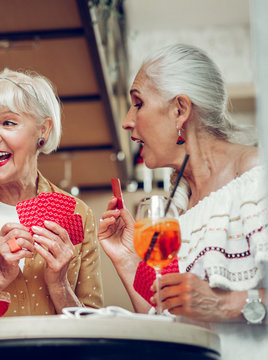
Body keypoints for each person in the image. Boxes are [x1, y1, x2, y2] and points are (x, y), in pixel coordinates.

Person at [98, 44, 268, 359]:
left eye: (138, 103)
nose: (127, 121)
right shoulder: (176, 212)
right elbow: (167, 323)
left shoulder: (258, 178)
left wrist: (222, 303)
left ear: (180, 110)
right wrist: (127, 261)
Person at [0, 69, 102, 316]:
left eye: (8, 122)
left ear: (43, 130)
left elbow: (96, 333)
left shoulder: (78, 213)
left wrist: (60, 286)